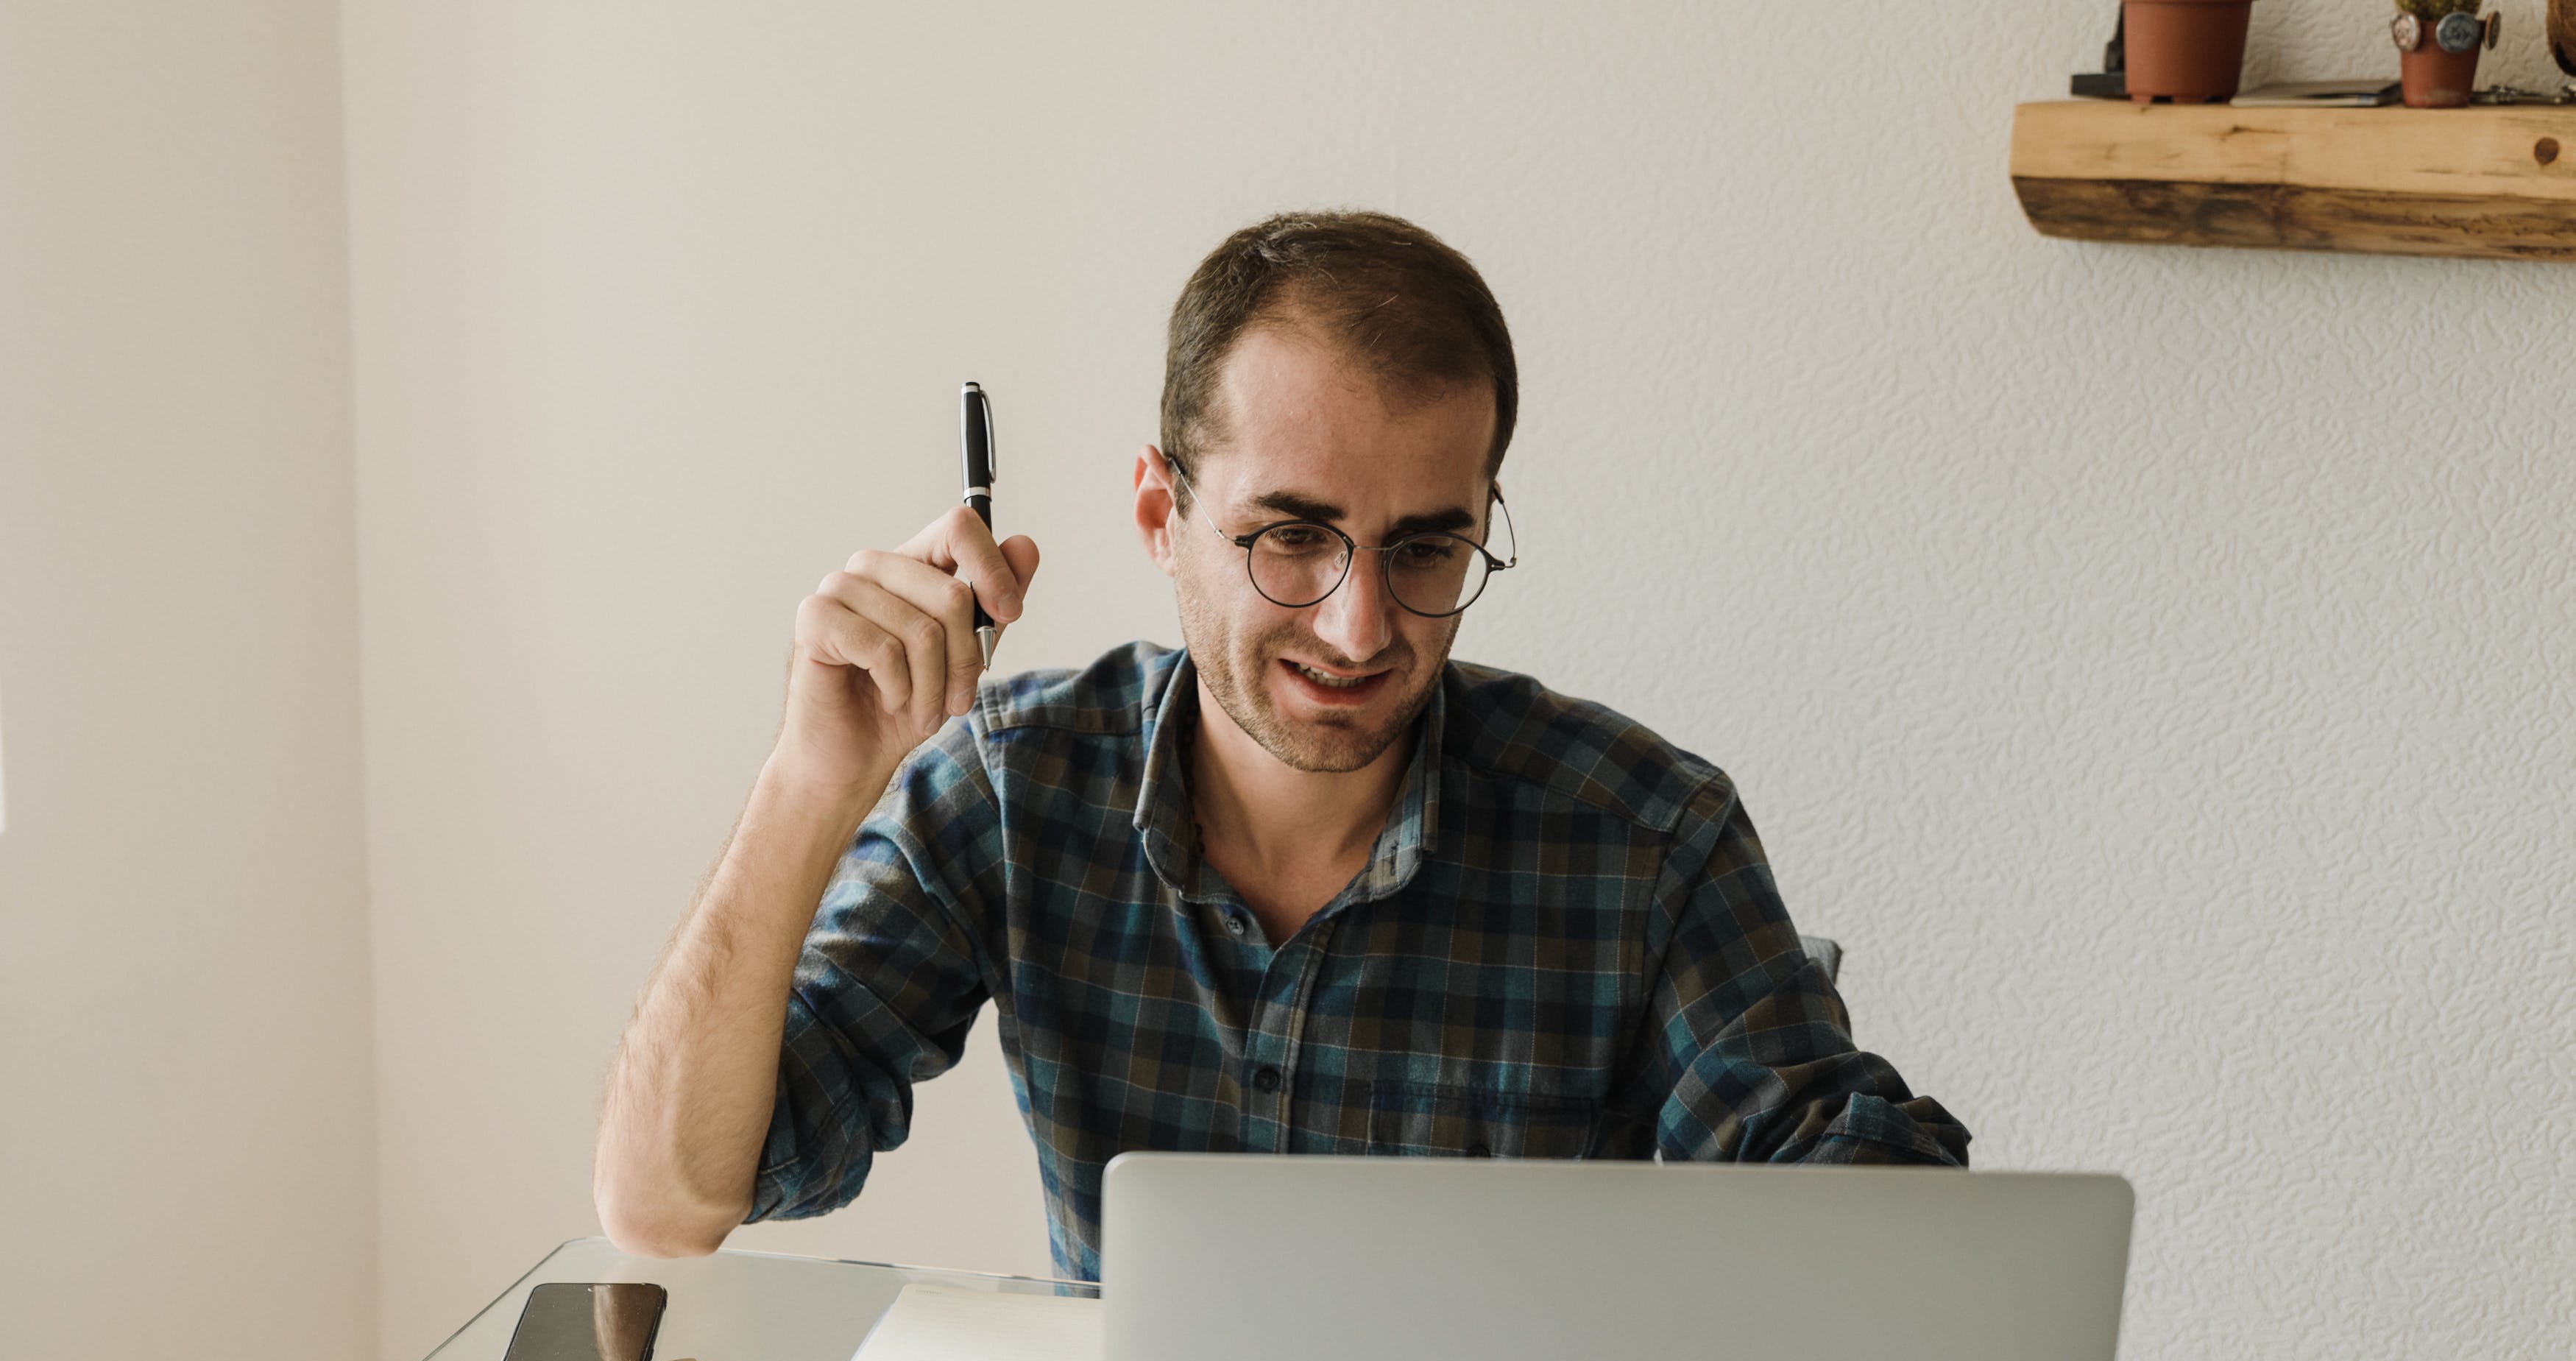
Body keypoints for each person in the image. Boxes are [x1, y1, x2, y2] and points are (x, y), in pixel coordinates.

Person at [592, 208, 1967, 1276]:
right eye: (1291, 536)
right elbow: (670, 1204)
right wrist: (810, 779)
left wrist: (1869, 1200)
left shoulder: (1641, 836)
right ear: (1159, 516)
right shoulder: (1015, 790)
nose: (1360, 626)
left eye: (1426, 546)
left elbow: (1863, 1230)